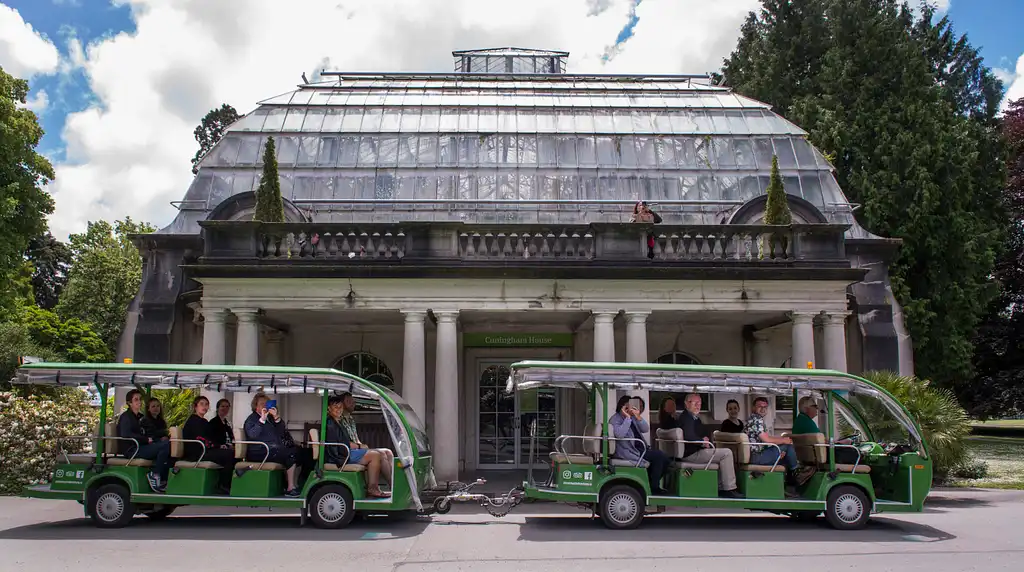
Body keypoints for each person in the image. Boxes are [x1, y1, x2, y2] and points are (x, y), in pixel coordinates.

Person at [677, 394, 742, 498]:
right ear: (686, 403)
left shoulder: (693, 418)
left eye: (700, 403)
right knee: (727, 453)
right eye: (695, 403)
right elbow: (688, 436)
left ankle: (722, 487)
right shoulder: (687, 418)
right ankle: (729, 488)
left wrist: (704, 440)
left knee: (722, 454)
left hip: (695, 450)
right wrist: (702, 441)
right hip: (692, 453)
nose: (698, 406)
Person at [326, 395, 389, 498]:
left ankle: (378, 487)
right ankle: (372, 488)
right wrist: (359, 447)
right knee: (375, 456)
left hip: (344, 452)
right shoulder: (330, 424)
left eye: (340, 407)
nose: (339, 410)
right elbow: (338, 445)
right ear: (329, 408)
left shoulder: (337, 422)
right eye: (335, 407)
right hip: (339, 456)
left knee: (377, 454)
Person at [243, 393, 302, 497]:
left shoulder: (270, 418)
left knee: (300, 452)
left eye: (266, 404)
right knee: (290, 454)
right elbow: (252, 434)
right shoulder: (251, 419)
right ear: (256, 406)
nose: (264, 406)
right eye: (261, 404)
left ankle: (293, 484)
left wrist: (276, 417)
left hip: (272, 449)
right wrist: (261, 421)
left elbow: (281, 431)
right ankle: (290, 487)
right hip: (259, 451)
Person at [746, 396, 812, 488]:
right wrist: (783, 440)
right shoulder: (756, 419)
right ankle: (797, 473)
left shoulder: (753, 419)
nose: (763, 409)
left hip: (757, 454)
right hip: (756, 456)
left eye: (765, 407)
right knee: (787, 447)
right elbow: (766, 439)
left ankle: (790, 485)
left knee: (785, 458)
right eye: (760, 407)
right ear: (753, 408)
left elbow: (765, 439)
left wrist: (779, 446)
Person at [610, 395, 668, 495]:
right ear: (623, 406)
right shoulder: (616, 419)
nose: (635, 408)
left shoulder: (633, 417)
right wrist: (627, 418)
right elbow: (619, 434)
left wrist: (637, 416)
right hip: (629, 451)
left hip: (640, 449)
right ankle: (654, 488)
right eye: (631, 405)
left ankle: (650, 483)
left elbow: (645, 429)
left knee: (667, 461)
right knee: (659, 456)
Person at [117, 389, 171, 493]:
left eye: (140, 399)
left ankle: (162, 478)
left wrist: (161, 436)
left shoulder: (141, 417)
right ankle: (154, 474)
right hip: (132, 449)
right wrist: (145, 439)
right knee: (164, 446)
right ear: (129, 403)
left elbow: (150, 431)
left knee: (166, 446)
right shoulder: (126, 417)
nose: (139, 401)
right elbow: (126, 434)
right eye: (136, 399)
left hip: (141, 446)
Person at [338, 392, 394, 489]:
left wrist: (362, 446)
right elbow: (344, 442)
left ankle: (392, 483)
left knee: (387, 452)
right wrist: (360, 447)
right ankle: (386, 486)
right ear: (341, 403)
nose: (352, 403)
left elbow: (355, 439)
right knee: (378, 455)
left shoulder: (350, 419)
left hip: (355, 449)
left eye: (352, 401)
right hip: (346, 452)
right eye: (348, 401)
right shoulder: (338, 419)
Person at [182, 395, 236, 493]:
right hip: (196, 453)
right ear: (195, 406)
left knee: (230, 453)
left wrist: (219, 445)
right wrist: (218, 446)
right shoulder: (194, 421)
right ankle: (223, 485)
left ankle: (225, 483)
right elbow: (201, 439)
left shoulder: (203, 421)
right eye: (201, 404)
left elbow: (210, 439)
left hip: (204, 450)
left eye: (206, 404)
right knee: (229, 455)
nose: (205, 407)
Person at [792, 396, 859, 464]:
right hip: (822, 457)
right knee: (856, 454)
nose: (817, 408)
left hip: (811, 456)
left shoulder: (800, 420)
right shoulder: (808, 423)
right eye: (814, 406)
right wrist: (842, 442)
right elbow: (825, 442)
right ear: (806, 409)